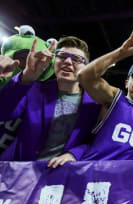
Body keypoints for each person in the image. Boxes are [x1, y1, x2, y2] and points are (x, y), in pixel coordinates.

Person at [0, 35, 101, 165]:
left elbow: (96, 141)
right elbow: (2, 112)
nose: (68, 62)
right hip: (21, 172)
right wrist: (28, 75)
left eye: (76, 59)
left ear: (86, 67)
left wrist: (75, 153)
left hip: (60, 177)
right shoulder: (33, 89)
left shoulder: (95, 103)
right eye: (62, 56)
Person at [67, 26, 133, 162]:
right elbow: (84, 76)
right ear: (127, 83)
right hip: (93, 174)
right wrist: (121, 53)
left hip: (123, 181)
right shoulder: (115, 98)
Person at [0, 25, 55, 154]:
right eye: (24, 57)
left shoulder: (43, 92)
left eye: (38, 58)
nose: (30, 62)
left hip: (11, 166)